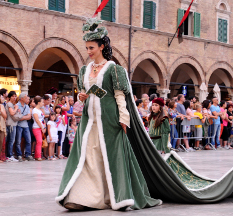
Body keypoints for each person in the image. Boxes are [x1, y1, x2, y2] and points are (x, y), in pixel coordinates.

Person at [56, 18, 161, 211]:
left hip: (110, 120)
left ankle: (114, 197)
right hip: (89, 121)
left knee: (109, 158)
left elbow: (120, 96)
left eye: (91, 48)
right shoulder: (84, 70)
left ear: (102, 46)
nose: (88, 52)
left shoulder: (113, 68)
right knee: (88, 158)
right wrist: (81, 96)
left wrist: (124, 117)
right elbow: (83, 97)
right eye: (86, 48)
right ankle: (86, 198)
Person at [16, 92, 33, 162]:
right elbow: (17, 117)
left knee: (28, 140)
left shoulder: (27, 106)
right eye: (26, 98)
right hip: (19, 125)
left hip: (26, 125)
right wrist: (25, 117)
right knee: (18, 141)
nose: (27, 99)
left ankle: (28, 154)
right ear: (22, 98)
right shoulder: (17, 105)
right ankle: (19, 155)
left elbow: (29, 117)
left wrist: (22, 116)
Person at [5, 91, 20, 162]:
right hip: (11, 124)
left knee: (10, 140)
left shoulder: (11, 104)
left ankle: (9, 155)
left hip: (12, 124)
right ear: (9, 97)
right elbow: (12, 113)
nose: (14, 97)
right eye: (13, 96)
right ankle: (9, 155)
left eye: (15, 96)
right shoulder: (10, 104)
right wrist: (16, 108)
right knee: (11, 140)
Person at [32, 96, 46, 161]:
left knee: (40, 142)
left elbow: (43, 119)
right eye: (42, 102)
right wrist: (42, 127)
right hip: (36, 127)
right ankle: (38, 156)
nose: (43, 103)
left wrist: (44, 127)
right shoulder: (34, 110)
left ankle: (38, 155)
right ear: (39, 102)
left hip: (41, 127)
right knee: (39, 141)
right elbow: (37, 120)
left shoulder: (40, 110)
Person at [0, 95, 6, 163]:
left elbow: (5, 116)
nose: (3, 99)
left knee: (1, 141)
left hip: (1, 125)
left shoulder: (2, 106)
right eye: (1, 97)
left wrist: (1, 111)